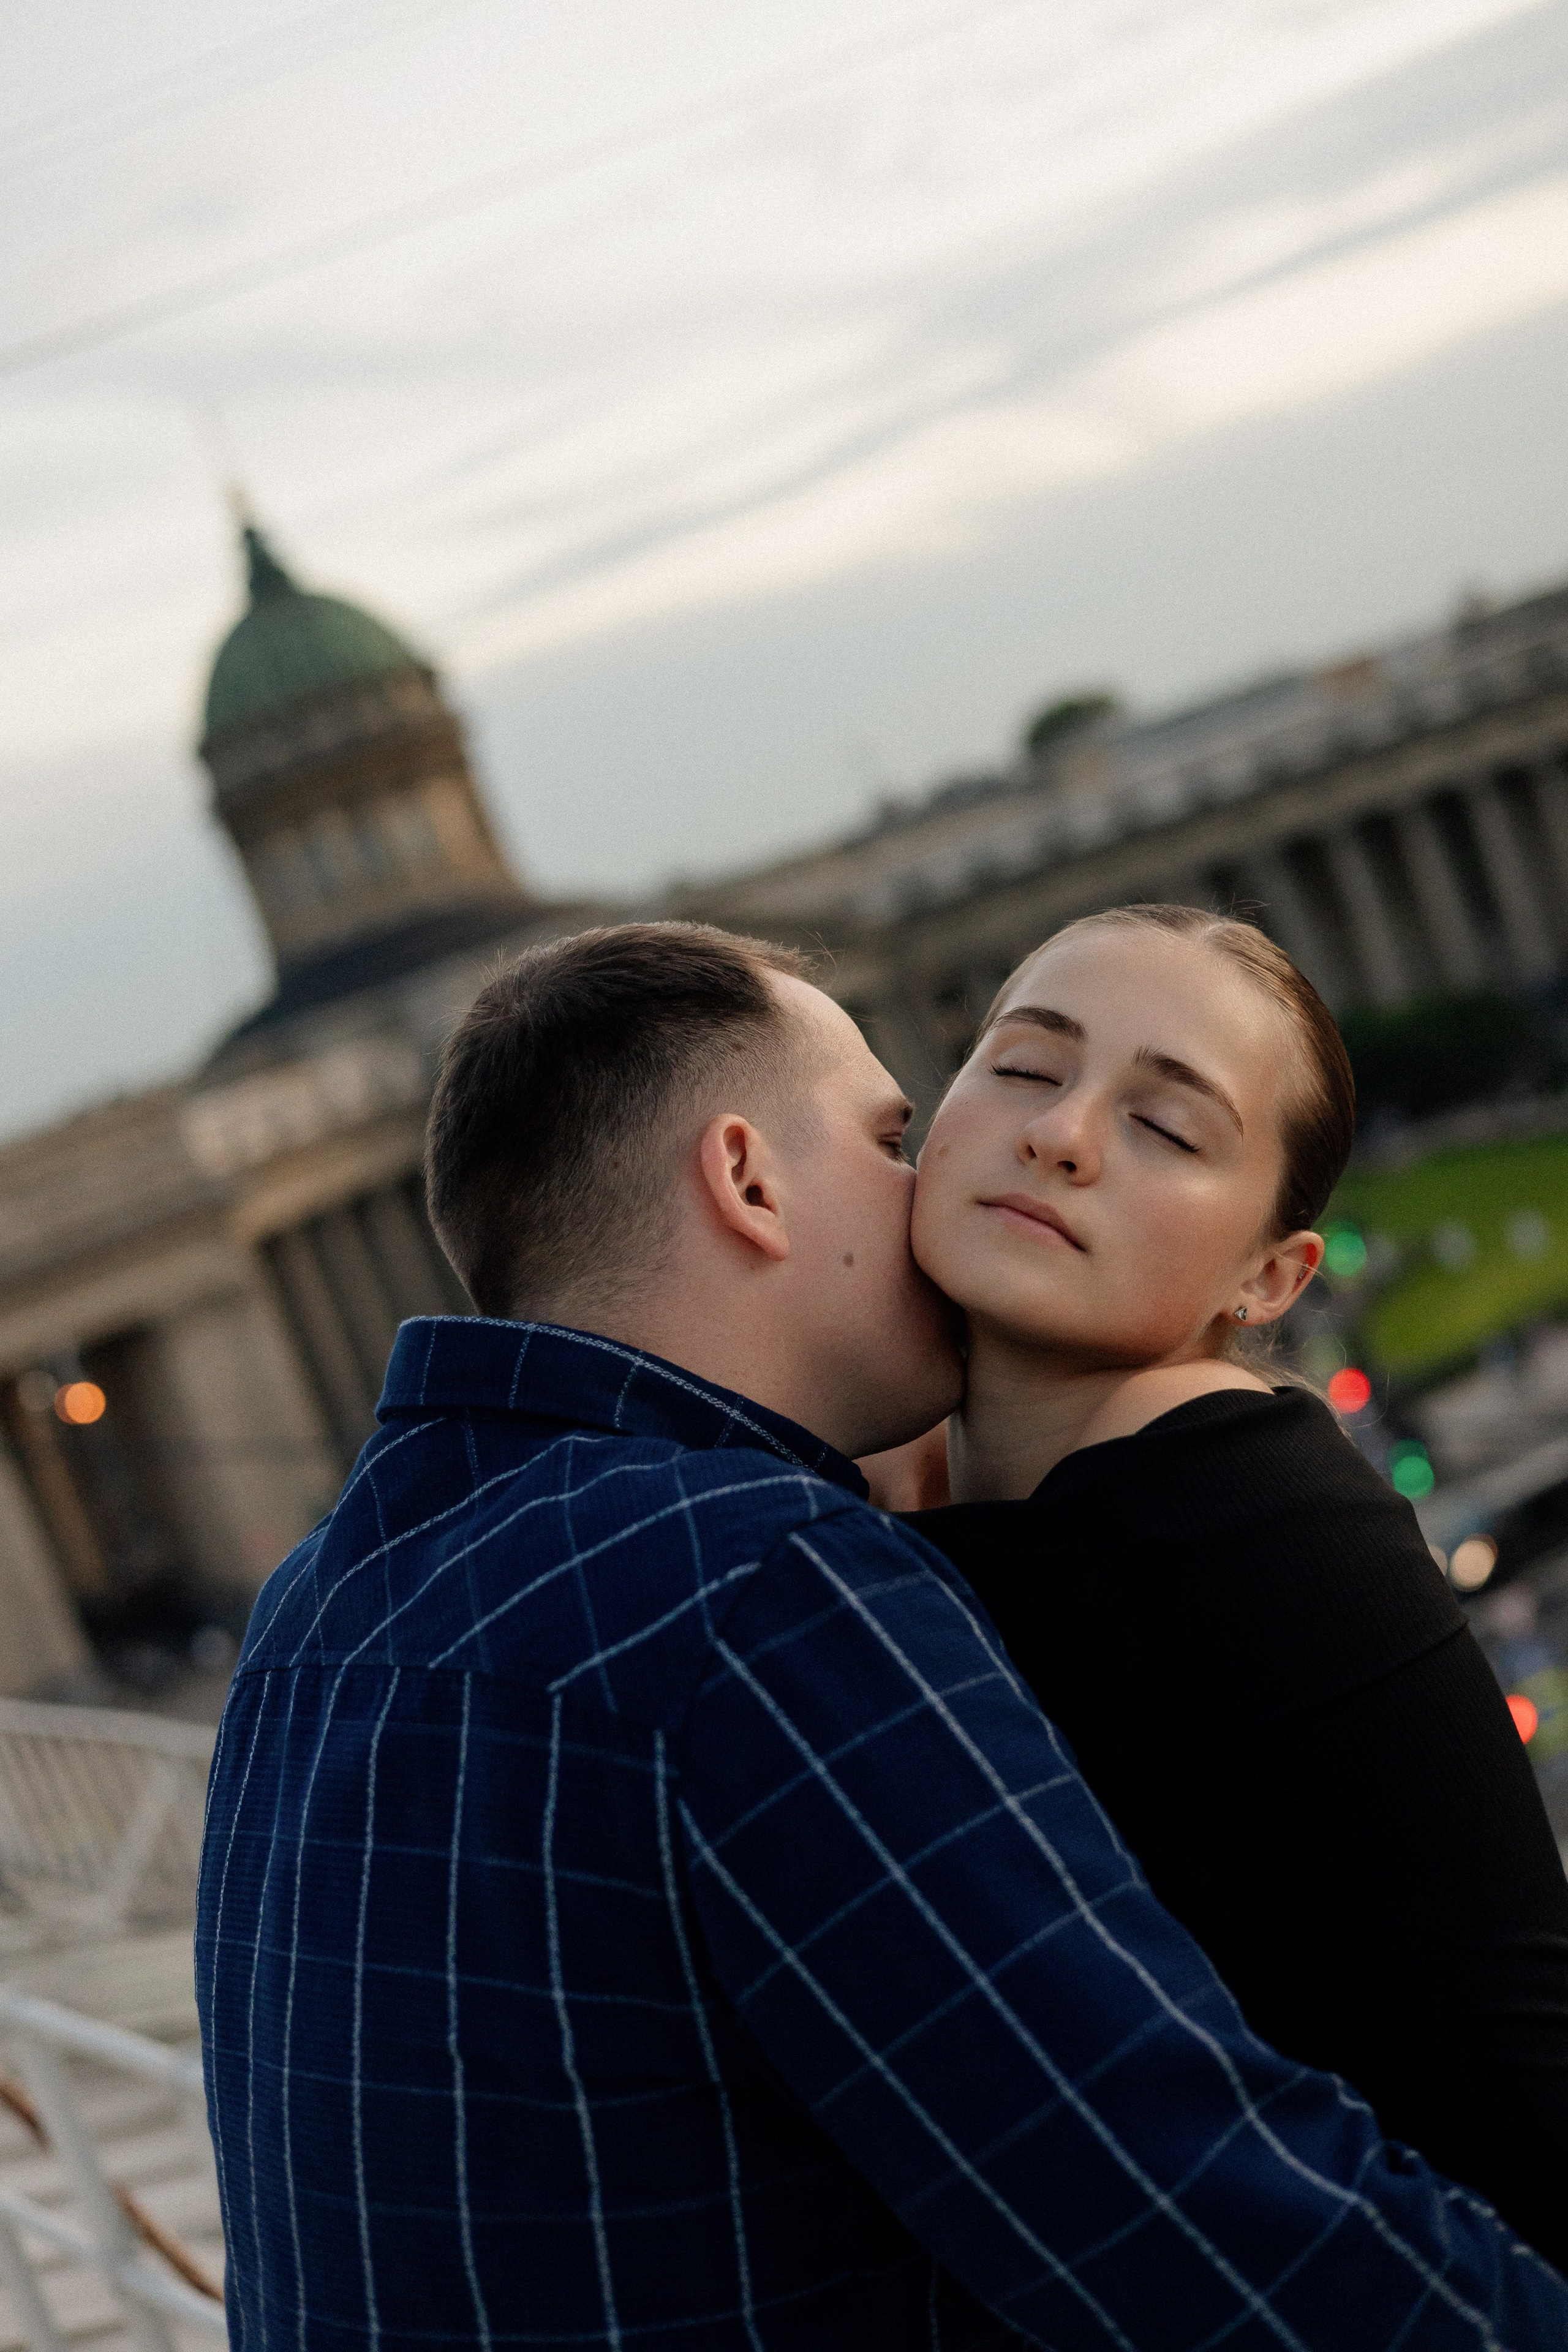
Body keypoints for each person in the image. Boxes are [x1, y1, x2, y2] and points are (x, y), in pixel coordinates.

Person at [195, 919, 1568, 2352]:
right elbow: (1181, 2223)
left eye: (1161, 1123)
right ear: (745, 1178)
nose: (1028, 1150)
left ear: (1269, 1274)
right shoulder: (757, 1585)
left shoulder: (314, 1608)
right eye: (900, 1131)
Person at [889, 900, 1568, 2272]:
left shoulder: (1226, 1513)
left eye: (1165, 1126)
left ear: (1270, 1278)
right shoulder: (984, 1506)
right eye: (1023, 1065)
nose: (1061, 1133)